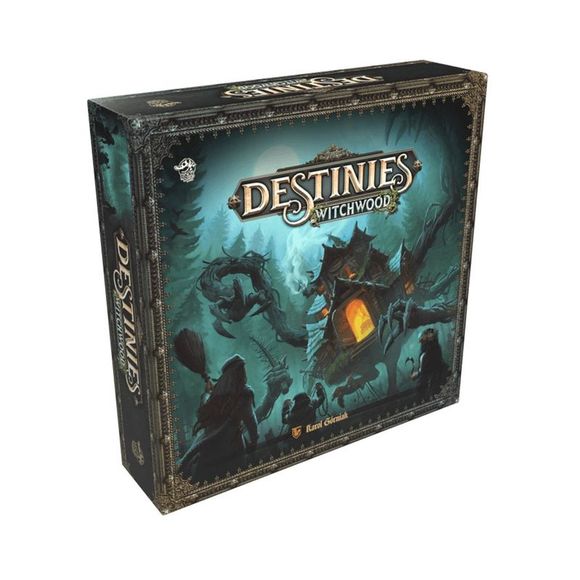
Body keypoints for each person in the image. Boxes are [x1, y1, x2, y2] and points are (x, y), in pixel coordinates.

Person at [178, 354, 258, 480]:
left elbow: (203, 411)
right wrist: (254, 440)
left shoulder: (217, 393)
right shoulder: (245, 394)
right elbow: (251, 421)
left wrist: (206, 394)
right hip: (232, 447)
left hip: (209, 448)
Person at [411, 328, 450, 399]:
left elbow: (430, 368)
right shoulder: (424, 349)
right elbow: (424, 366)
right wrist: (419, 372)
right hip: (428, 378)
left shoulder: (434, 349)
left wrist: (418, 374)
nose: (420, 340)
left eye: (423, 337)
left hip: (436, 378)